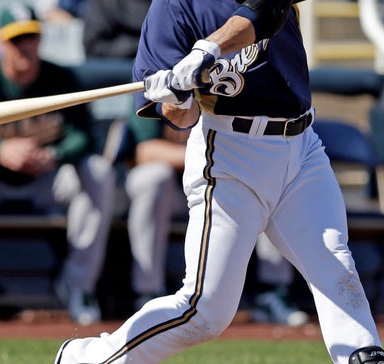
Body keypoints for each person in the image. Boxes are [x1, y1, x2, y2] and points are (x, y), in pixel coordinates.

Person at [55, 0, 384, 364]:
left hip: (302, 144)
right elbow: (180, 120)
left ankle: (364, 356)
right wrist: (176, 91)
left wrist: (208, 50)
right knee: (204, 311)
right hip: (231, 157)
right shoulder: (171, 8)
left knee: (334, 265)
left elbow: (272, 4)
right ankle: (89, 358)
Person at [0, 2, 116, 325]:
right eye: (15, 39)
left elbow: (84, 136)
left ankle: (79, 285)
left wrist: (55, 154)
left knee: (98, 173)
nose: (24, 47)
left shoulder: (60, 77)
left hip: (45, 177)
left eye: (31, 37)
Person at [119, 113, 309, 326]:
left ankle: (272, 292)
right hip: (176, 189)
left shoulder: (230, 82)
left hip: (223, 181)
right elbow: (146, 151)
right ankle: (149, 293)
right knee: (154, 177)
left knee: (267, 173)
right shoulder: (156, 80)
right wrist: (210, 152)